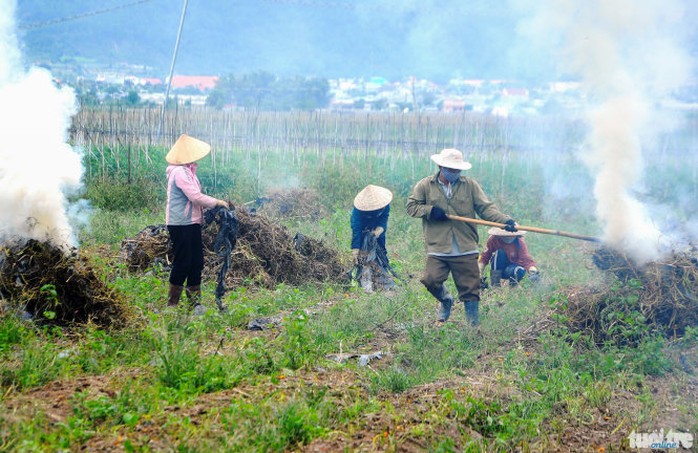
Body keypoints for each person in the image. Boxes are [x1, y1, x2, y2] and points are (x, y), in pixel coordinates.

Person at [406, 148, 518, 326]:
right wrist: (430, 211)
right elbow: (412, 207)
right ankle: (446, 299)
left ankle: (472, 327)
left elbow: (485, 208)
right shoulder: (425, 186)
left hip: (465, 245)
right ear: (440, 166)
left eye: (457, 170)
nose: (454, 173)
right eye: (451, 169)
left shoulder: (470, 186)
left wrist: (505, 221)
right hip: (438, 246)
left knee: (470, 288)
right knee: (431, 279)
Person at [165, 134, 229, 311]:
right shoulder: (179, 173)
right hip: (180, 224)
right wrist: (216, 202)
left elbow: (194, 198)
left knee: (196, 262)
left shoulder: (189, 172)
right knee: (183, 262)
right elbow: (194, 196)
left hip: (191, 223)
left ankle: (195, 305)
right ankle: (171, 305)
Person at [350, 184, 392, 264]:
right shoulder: (358, 211)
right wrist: (355, 248)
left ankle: (382, 268)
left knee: (381, 248)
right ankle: (363, 270)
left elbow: (384, 218)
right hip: (363, 227)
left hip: (377, 225)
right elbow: (356, 229)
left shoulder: (385, 204)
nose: (382, 207)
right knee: (363, 252)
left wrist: (379, 229)